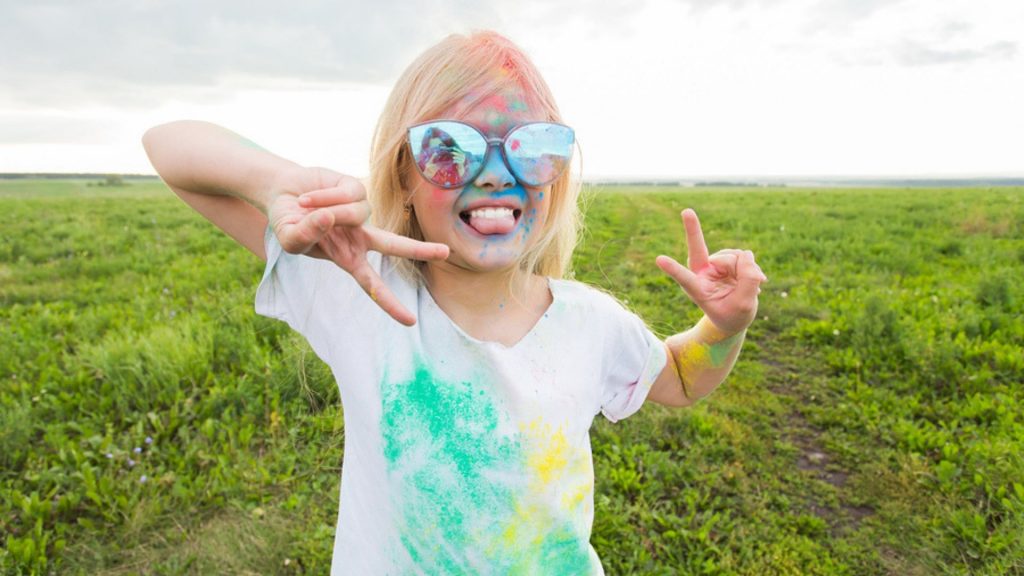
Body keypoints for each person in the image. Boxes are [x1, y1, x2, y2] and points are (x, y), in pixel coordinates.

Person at [143, 30, 766, 576]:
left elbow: (680, 377)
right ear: (404, 179)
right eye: (450, 149)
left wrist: (725, 324)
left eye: (531, 146)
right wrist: (273, 180)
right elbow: (166, 145)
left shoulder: (592, 324)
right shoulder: (359, 292)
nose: (496, 174)